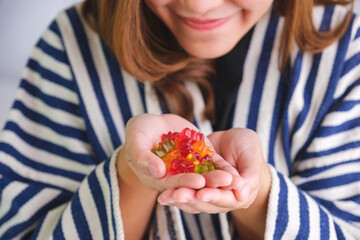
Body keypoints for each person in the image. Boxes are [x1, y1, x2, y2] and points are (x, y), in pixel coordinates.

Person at [0, 0, 359, 239]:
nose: (198, 5)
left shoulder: (345, 51)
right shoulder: (71, 46)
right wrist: (132, 173)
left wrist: (258, 193)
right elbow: (21, 230)